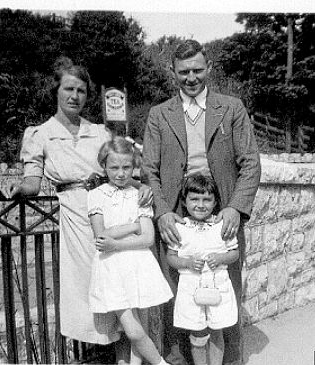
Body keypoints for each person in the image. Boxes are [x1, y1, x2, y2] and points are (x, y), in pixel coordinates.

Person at [3, 56, 152, 348]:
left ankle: (130, 354)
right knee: (93, 288)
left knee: (123, 282)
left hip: (112, 209)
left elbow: (126, 166)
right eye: (69, 89)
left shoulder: (99, 131)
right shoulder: (40, 134)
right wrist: (19, 187)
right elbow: (33, 180)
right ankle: (107, 351)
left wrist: (142, 185)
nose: (75, 96)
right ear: (56, 90)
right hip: (76, 216)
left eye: (81, 91)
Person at [141, 40, 261, 365]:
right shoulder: (159, 115)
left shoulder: (231, 108)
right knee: (174, 289)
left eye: (197, 70)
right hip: (176, 216)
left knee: (226, 286)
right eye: (183, 72)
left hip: (222, 211)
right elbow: (148, 168)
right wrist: (163, 212)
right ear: (172, 72)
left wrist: (236, 207)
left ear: (208, 67)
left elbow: (250, 162)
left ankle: (229, 360)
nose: (191, 78)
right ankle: (180, 359)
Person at [87, 136, 173, 365]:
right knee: (132, 330)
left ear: (134, 167)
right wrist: (134, 226)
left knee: (140, 331)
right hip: (112, 268)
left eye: (126, 167)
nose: (121, 173)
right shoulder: (96, 196)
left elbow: (147, 238)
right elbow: (101, 236)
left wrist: (118, 240)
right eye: (114, 167)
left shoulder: (140, 195)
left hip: (139, 265)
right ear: (104, 166)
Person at [167, 174, 239, 365]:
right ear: (184, 201)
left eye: (207, 199)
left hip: (218, 284)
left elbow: (234, 253)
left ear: (215, 202)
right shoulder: (180, 227)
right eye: (194, 199)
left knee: (217, 329)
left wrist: (222, 257)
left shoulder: (221, 225)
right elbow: (171, 257)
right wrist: (187, 263)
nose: (201, 204)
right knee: (197, 333)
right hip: (191, 286)